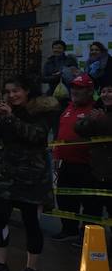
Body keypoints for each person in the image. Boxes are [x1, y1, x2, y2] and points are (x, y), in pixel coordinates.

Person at [0, 75, 58, 271]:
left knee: (31, 222)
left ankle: (31, 267)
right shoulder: (7, 111)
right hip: (6, 173)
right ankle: (0, 263)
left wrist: (11, 117)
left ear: (27, 91)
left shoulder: (41, 111)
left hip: (32, 175)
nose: (12, 95)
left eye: (16, 91)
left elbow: (36, 135)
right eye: (8, 92)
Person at [52, 72, 95, 242]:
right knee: (64, 198)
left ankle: (86, 234)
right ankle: (68, 229)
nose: (75, 91)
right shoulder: (68, 108)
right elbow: (60, 133)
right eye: (74, 88)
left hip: (87, 165)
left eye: (80, 88)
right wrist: (56, 155)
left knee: (89, 202)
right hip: (65, 163)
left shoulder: (94, 109)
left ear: (90, 91)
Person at [74, 80, 112, 239]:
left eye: (110, 91)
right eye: (103, 91)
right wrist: (91, 120)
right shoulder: (97, 110)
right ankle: (92, 245)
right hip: (97, 170)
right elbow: (79, 128)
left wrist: (100, 120)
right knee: (92, 211)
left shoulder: (101, 115)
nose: (106, 94)